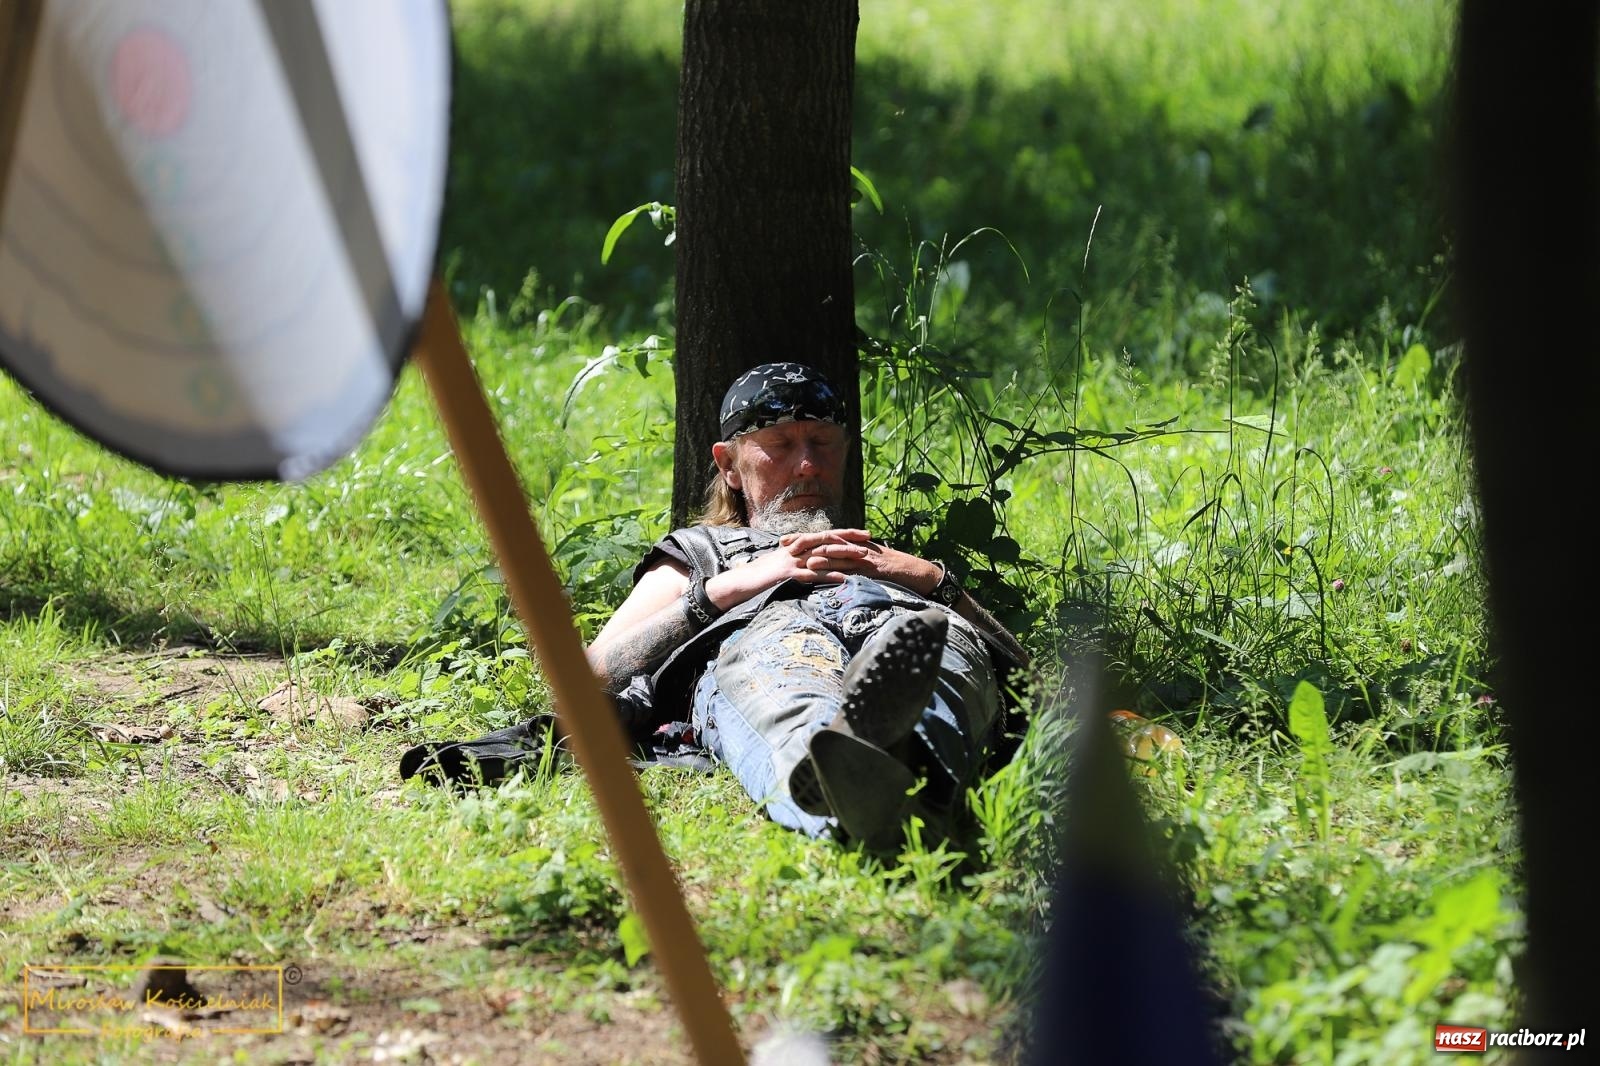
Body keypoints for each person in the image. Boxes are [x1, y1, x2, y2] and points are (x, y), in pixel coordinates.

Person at [584, 362, 1031, 850]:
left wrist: (932, 579)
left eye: (822, 443)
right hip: (770, 634)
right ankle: (858, 779)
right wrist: (725, 589)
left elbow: (1028, 679)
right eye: (781, 446)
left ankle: (887, 779)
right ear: (729, 465)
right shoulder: (702, 551)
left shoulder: (886, 555)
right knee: (793, 691)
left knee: (933, 658)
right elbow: (588, 675)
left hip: (901, 620)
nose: (808, 465)